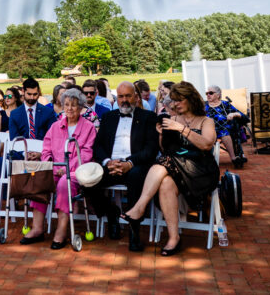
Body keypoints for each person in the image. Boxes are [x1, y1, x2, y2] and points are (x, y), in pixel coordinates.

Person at [121, 82, 219, 256]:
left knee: (164, 161)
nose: (175, 104)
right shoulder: (171, 119)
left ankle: (140, 206)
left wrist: (181, 129)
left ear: (191, 99)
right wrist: (161, 135)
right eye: (174, 100)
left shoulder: (206, 121)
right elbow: (167, 150)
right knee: (166, 182)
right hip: (175, 167)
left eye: (179, 100)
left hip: (200, 170)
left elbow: (206, 144)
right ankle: (174, 238)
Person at [80, 81, 160, 251]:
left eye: (128, 96)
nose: (124, 100)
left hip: (135, 164)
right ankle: (111, 212)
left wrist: (129, 162)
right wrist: (107, 162)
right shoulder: (109, 117)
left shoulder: (148, 118)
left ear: (136, 97)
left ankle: (134, 230)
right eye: (121, 96)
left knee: (136, 177)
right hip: (111, 164)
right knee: (86, 180)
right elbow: (98, 146)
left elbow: (151, 149)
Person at [20, 89, 96, 249]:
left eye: (74, 105)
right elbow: (46, 150)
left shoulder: (88, 127)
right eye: (66, 105)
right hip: (55, 169)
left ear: (81, 107)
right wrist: (50, 165)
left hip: (77, 171)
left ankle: (61, 230)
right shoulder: (55, 126)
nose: (69, 108)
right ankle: (37, 228)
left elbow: (86, 153)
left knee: (64, 183)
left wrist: (68, 167)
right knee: (38, 179)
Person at [205, 85, 248, 166]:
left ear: (218, 95)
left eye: (210, 93)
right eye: (206, 93)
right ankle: (234, 157)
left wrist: (233, 114)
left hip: (227, 130)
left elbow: (243, 116)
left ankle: (235, 157)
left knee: (226, 131)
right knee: (223, 132)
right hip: (210, 130)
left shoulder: (225, 104)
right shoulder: (204, 106)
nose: (208, 95)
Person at [9, 77, 57, 143]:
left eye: (35, 94)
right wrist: (24, 152)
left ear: (38, 92)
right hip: (21, 150)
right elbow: (14, 139)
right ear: (23, 91)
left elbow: (52, 137)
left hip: (42, 150)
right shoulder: (14, 114)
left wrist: (40, 152)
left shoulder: (48, 112)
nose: (32, 97)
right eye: (29, 94)